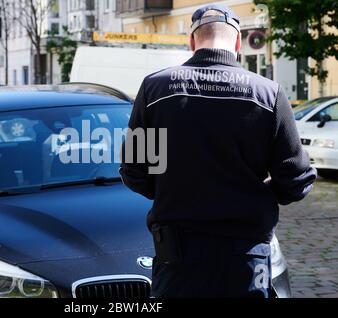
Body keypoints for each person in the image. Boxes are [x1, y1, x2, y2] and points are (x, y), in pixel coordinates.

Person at [120, 4, 317, 298]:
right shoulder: (268, 93)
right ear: (238, 42)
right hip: (246, 256)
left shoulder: (154, 88)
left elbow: (133, 171)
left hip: (177, 256)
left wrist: (172, 188)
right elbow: (297, 181)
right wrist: (255, 191)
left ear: (192, 42)